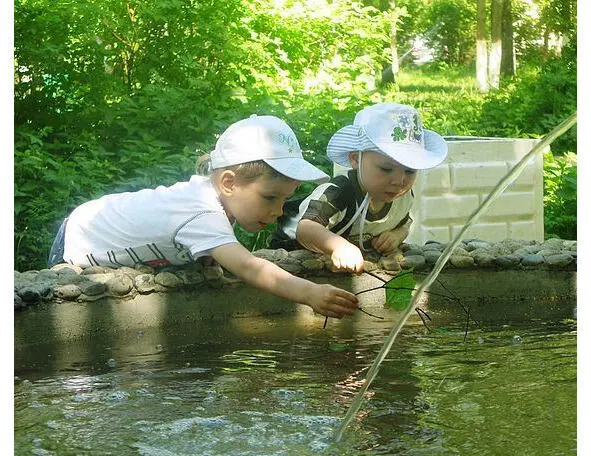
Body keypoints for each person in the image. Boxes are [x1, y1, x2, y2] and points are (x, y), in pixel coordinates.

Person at [47, 115, 359, 319]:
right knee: (64, 308)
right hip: (81, 236)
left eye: (285, 199)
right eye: (270, 197)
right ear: (228, 182)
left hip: (97, 221)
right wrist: (310, 292)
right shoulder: (202, 211)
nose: (279, 211)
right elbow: (249, 267)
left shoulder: (214, 202)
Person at [270, 102, 448, 273]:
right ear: (355, 159)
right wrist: (338, 246)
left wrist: (396, 236)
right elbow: (306, 229)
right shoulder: (338, 192)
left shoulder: (403, 195)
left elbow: (404, 223)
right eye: (386, 169)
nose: (399, 180)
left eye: (410, 171)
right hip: (293, 256)